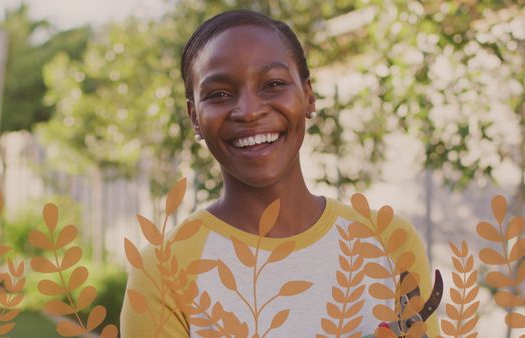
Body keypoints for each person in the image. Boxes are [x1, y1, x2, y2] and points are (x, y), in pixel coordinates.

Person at [120, 9, 437, 337]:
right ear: (195, 117)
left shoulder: (388, 241)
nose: (249, 111)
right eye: (219, 94)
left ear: (308, 96)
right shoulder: (162, 271)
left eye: (272, 84)